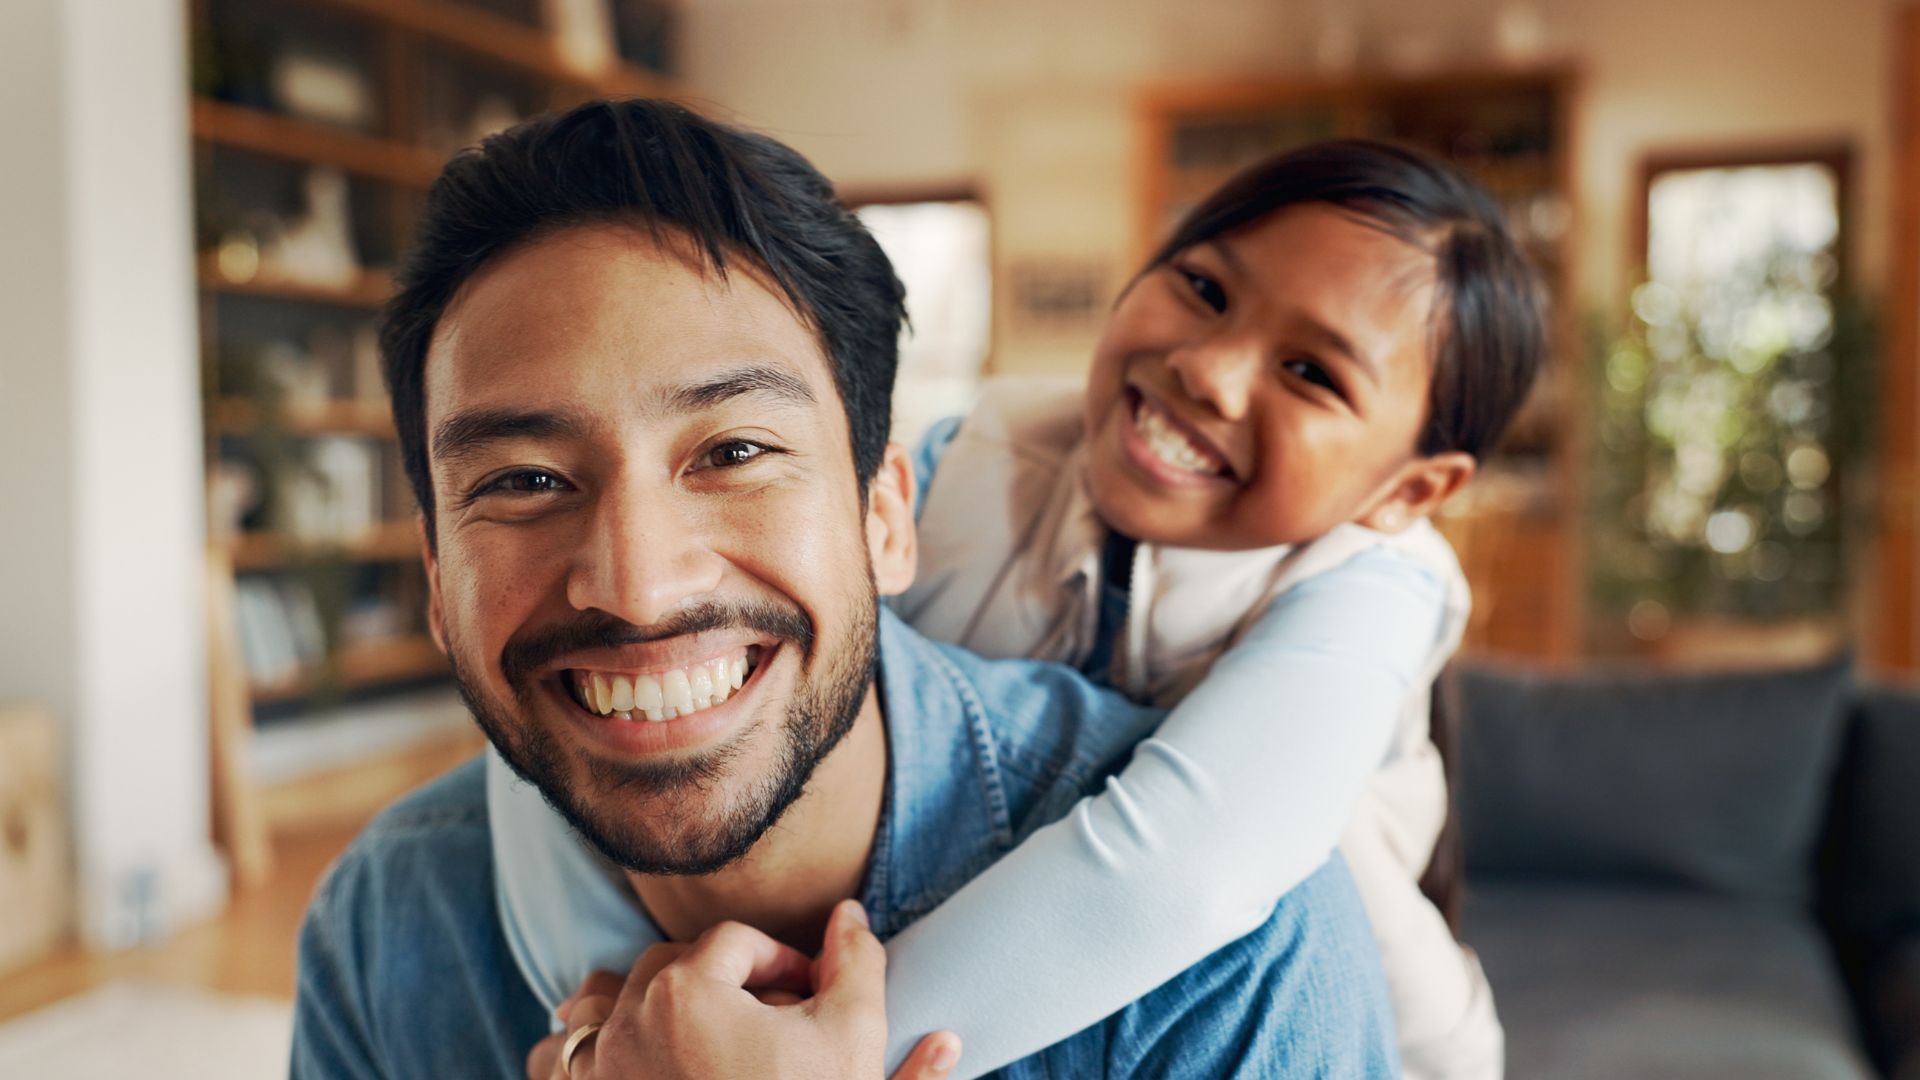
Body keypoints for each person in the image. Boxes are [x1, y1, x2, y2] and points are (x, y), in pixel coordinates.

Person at [287, 97, 1398, 1079]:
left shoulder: (1229, 959)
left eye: (733, 453)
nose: (637, 588)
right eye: (525, 481)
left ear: (885, 518)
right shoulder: (385, 922)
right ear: (437, 579)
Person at [496, 138, 1545, 1079]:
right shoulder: (978, 460)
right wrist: (617, 1021)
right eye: (1205, 289)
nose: (1208, 369)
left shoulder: (1378, 590)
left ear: (1411, 489)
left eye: (1311, 372)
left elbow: (1184, 866)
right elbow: (578, 707)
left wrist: (808, 1054)